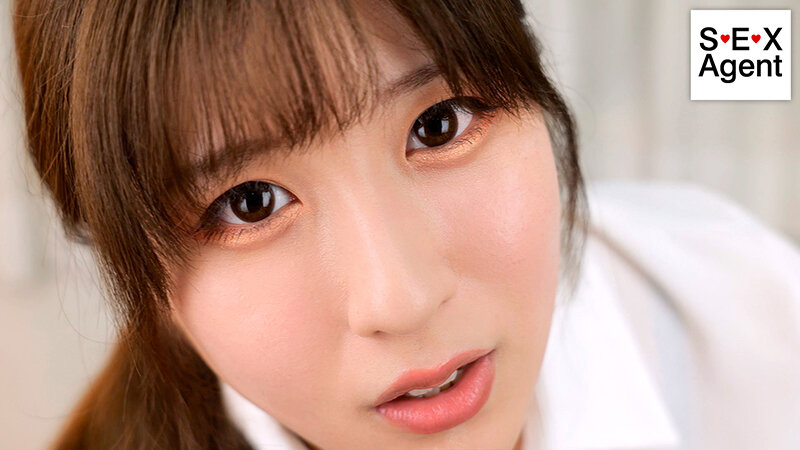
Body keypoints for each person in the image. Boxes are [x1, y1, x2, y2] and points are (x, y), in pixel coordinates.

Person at [11, 1, 800, 449]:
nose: (404, 299)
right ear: (143, 281)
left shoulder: (745, 318)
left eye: (440, 125)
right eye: (250, 202)